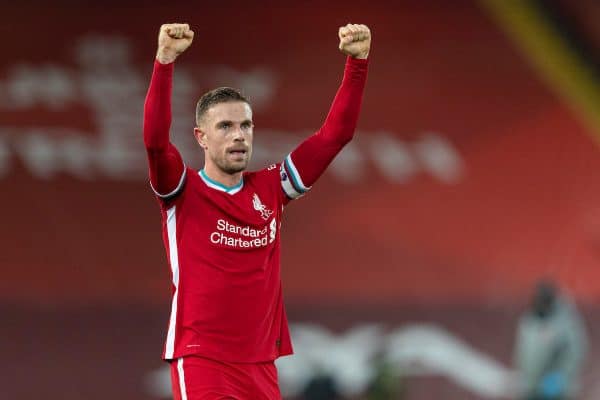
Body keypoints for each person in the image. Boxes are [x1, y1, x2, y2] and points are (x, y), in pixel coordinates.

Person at [143, 22, 370, 399]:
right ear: (201, 136)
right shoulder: (181, 191)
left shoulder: (273, 187)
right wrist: (164, 61)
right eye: (226, 126)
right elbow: (154, 142)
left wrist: (357, 63)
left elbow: (335, 136)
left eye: (246, 125)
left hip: (261, 365)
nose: (239, 135)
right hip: (203, 361)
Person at [513, 280, 588, 400]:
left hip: (556, 389)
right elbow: (524, 352)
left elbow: (575, 351)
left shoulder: (565, 322)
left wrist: (561, 377)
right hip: (531, 386)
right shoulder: (528, 320)